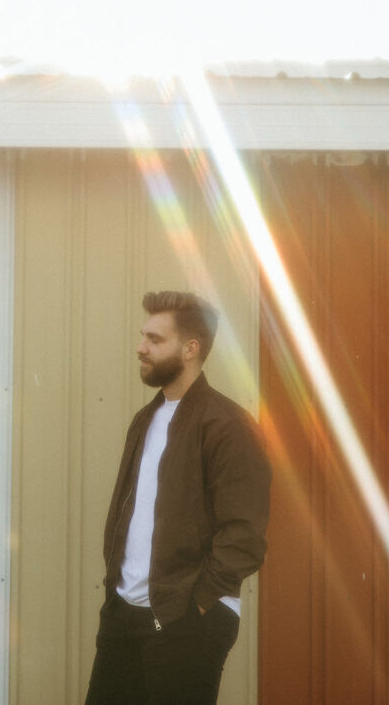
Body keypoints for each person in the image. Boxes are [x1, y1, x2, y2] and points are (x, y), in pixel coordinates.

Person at [85, 292, 272, 705]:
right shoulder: (145, 420)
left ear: (191, 349)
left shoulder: (227, 426)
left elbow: (244, 533)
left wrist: (199, 604)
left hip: (185, 620)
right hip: (124, 613)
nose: (141, 347)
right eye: (142, 337)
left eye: (154, 339)